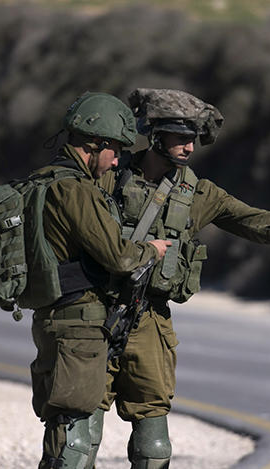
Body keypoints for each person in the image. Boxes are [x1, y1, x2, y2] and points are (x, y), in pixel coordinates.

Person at [94, 88, 270, 467]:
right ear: (155, 134)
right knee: (80, 426)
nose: (189, 148)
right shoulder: (106, 176)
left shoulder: (197, 193)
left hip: (150, 319)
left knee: (153, 434)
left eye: (193, 139)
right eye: (180, 137)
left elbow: (254, 221)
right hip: (92, 310)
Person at [29, 92, 172, 469]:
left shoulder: (40, 180)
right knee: (73, 439)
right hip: (79, 324)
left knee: (64, 426)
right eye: (113, 152)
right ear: (96, 145)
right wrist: (152, 251)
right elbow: (119, 256)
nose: (114, 163)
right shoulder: (76, 190)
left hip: (51, 314)